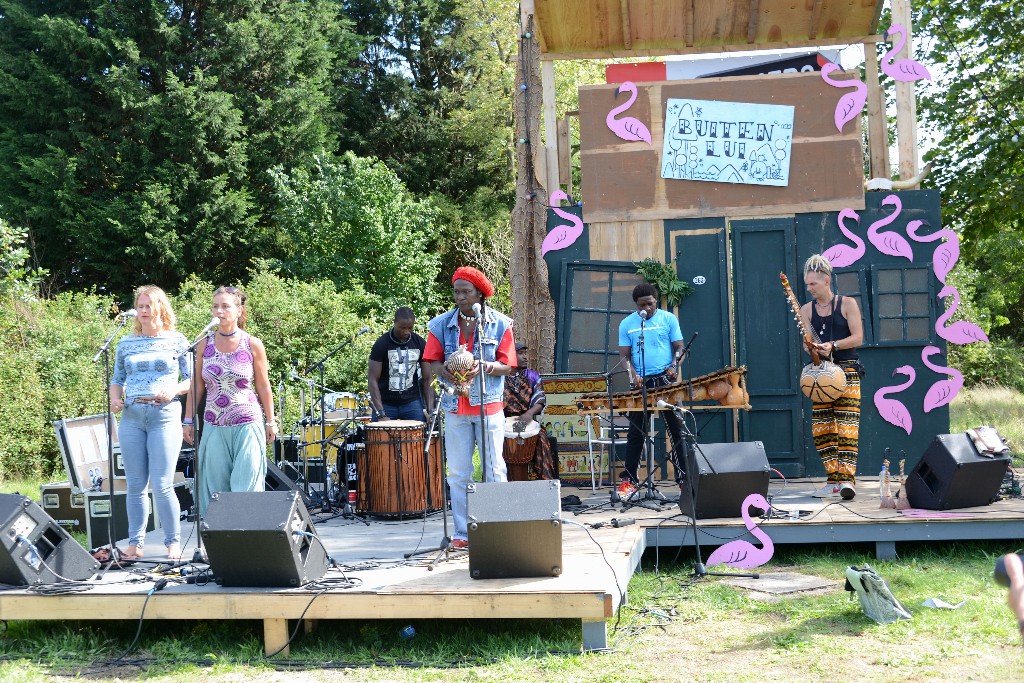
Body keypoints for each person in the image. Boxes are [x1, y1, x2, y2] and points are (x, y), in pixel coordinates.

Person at [424, 266, 517, 550]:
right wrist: (445, 371)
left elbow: (509, 366)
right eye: (456, 291)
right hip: (454, 408)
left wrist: (486, 366)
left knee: (494, 470)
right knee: (458, 473)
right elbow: (431, 361)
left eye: (466, 292)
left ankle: (496, 527)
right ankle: (463, 532)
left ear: (480, 294)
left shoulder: (500, 324)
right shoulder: (440, 325)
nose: (460, 297)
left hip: (488, 406)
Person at [109, 285, 191, 561]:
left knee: (162, 483)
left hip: (164, 415)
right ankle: (135, 544)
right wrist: (116, 399)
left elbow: (192, 379)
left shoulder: (177, 340)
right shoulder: (125, 343)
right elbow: (117, 379)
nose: (143, 311)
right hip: (131, 416)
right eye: (140, 306)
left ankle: (173, 543)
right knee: (135, 485)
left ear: (160, 308)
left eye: (148, 306)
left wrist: (175, 390)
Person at [183, 286, 277, 514]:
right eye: (215, 306)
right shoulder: (203, 344)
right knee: (216, 491)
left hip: (247, 422)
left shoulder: (252, 343)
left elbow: (263, 385)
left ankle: (246, 541)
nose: (219, 311)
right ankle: (220, 542)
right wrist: (187, 420)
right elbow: (196, 385)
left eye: (225, 306)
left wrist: (271, 421)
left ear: (239, 311)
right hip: (214, 423)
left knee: (246, 488)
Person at [799, 254, 864, 500]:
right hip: (820, 376)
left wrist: (833, 345)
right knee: (822, 429)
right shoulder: (806, 310)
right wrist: (812, 348)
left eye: (813, 283)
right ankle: (833, 480)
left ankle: (847, 481)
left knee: (847, 428)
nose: (809, 288)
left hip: (847, 371)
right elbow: (809, 343)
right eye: (807, 284)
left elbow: (858, 338)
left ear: (826, 280)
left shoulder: (847, 304)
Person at [617, 282, 688, 500]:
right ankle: (629, 481)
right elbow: (624, 357)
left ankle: (685, 480)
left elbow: (679, 348)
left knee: (677, 430)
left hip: (666, 380)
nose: (647, 308)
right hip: (642, 383)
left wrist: (675, 366)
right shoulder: (628, 324)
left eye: (650, 303)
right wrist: (632, 374)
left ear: (656, 301)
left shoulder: (668, 319)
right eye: (642, 305)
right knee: (636, 432)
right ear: (636, 305)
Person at [367, 307, 435, 421]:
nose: (406, 331)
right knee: (382, 438)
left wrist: (430, 410)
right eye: (402, 327)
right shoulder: (381, 343)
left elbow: (428, 379)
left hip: (412, 402)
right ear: (394, 323)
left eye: (410, 328)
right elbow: (372, 379)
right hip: (385, 403)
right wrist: (381, 413)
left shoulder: (419, 343)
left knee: (417, 438)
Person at [503, 343, 557, 480]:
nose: (525, 357)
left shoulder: (532, 376)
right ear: (510, 355)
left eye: (525, 354)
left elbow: (540, 400)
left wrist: (529, 414)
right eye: (520, 353)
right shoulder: (500, 377)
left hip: (527, 420)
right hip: (502, 422)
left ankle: (547, 484)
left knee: (542, 440)